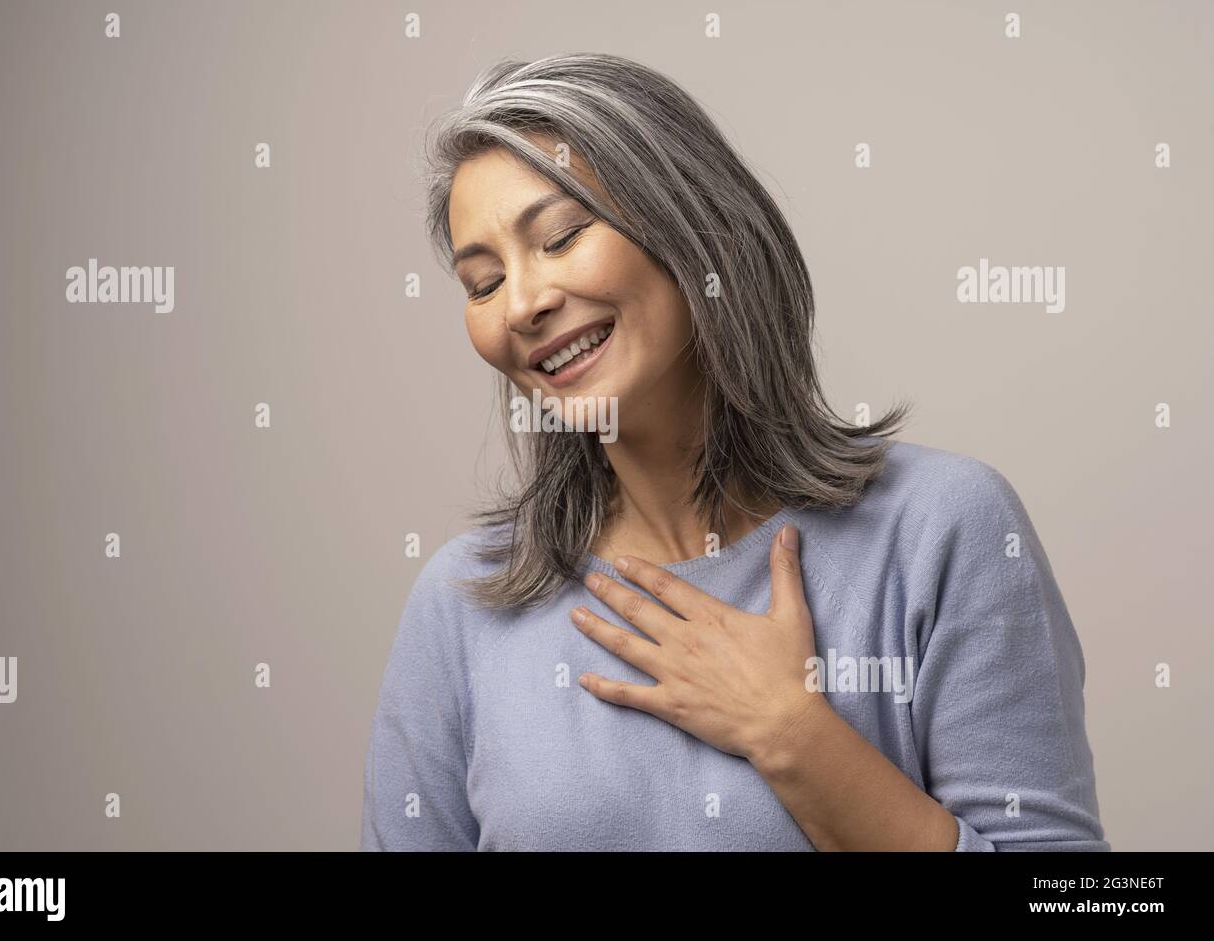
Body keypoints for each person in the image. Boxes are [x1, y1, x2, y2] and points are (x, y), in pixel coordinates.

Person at [360, 52, 1108, 851]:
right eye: (481, 282)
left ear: (691, 227)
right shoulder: (461, 604)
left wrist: (790, 733)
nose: (522, 304)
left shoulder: (944, 530)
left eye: (562, 235)